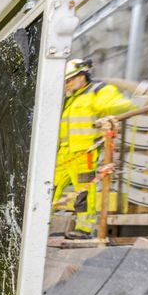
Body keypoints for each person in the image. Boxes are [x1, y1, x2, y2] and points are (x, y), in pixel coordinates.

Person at [54, 58, 134, 239]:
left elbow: (117, 105)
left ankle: (84, 229)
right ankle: (41, 225)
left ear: (81, 77)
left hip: (84, 154)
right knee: (49, 188)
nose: (66, 85)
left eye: (69, 80)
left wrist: (126, 107)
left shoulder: (98, 91)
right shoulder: (72, 99)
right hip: (64, 154)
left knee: (83, 192)